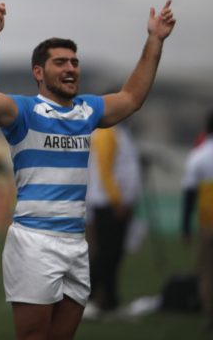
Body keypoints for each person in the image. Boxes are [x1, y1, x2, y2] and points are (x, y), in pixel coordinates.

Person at [0, 0, 176, 340]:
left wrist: (154, 40)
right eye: (60, 62)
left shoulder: (86, 111)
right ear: (39, 72)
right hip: (35, 241)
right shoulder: (25, 112)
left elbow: (132, 98)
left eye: (74, 62)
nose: (70, 68)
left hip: (76, 242)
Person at [84, 124, 142, 318]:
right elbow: (105, 170)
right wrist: (117, 200)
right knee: (106, 254)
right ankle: (88, 299)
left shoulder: (119, 133)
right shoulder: (107, 133)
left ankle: (110, 301)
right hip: (108, 205)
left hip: (114, 204)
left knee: (114, 254)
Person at [181, 110, 213, 331]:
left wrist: (185, 228)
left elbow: (189, 194)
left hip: (209, 223)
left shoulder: (199, 155)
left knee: (208, 270)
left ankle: (210, 315)